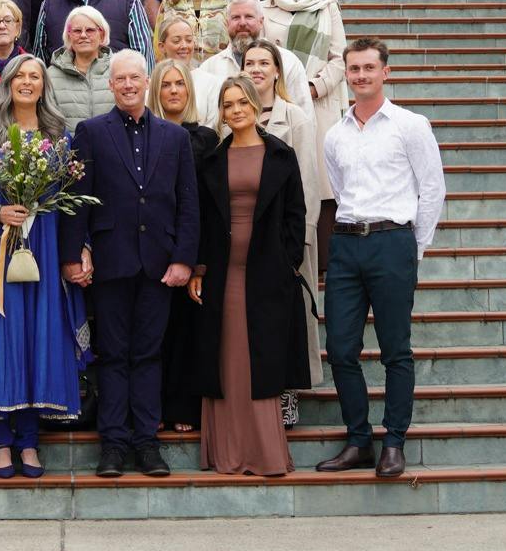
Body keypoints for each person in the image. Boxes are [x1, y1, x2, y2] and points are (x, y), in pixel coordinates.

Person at [0, 54, 91, 478]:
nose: (27, 82)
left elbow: (74, 205)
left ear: (44, 86)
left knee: (40, 337)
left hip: (45, 251)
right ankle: (1, 442)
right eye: (20, 76)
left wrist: (80, 248)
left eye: (35, 77)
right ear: (7, 84)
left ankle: (29, 442)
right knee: (3, 337)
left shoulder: (60, 138)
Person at [61, 50, 199, 478]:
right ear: (110, 84)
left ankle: (147, 444)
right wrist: (71, 256)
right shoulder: (90, 132)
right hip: (111, 263)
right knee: (113, 354)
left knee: (149, 354)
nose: (126, 85)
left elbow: (188, 205)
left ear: (146, 82)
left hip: (159, 265)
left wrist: (184, 260)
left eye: (134, 78)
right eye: (119, 79)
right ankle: (114, 445)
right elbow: (76, 201)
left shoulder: (175, 138)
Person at [316, 38, 446, 481]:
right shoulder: (335, 134)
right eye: (354, 69)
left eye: (369, 68)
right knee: (340, 349)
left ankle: (394, 442)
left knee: (395, 349)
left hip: (393, 242)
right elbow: (338, 190)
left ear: (385, 72)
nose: (360, 76)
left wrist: (415, 247)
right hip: (347, 244)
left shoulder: (410, 125)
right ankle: (358, 440)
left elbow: (432, 189)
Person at [190, 75, 309, 476]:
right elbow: (204, 220)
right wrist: (201, 267)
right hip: (223, 270)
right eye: (228, 105)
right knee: (227, 356)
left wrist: (288, 261)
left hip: (266, 272)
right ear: (221, 112)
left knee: (259, 356)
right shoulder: (212, 160)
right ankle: (227, 451)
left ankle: (264, 453)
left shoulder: (281, 155)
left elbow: (297, 213)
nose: (235, 110)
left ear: (256, 106)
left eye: (242, 102)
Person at [240, 41, 329, 406]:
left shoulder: (295, 117)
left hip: (285, 239)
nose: (257, 68)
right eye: (250, 63)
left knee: (286, 320)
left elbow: (309, 180)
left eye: (265, 62)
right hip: (243, 239)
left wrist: (300, 241)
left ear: (278, 71)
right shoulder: (232, 113)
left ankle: (288, 395)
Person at [147, 57, 216, 433]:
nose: (173, 91)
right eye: (166, 84)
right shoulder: (143, 134)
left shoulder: (205, 138)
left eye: (180, 84)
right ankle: (151, 406)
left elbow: (206, 205)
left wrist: (198, 262)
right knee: (153, 336)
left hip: (189, 250)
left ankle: (182, 408)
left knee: (186, 334)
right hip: (151, 249)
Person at [261, 0, 350, 142]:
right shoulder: (264, 8)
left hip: (317, 99)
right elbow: (260, 57)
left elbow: (339, 58)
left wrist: (312, 88)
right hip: (277, 99)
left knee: (317, 166)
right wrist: (280, 89)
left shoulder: (328, 7)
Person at [197, 0, 313, 117]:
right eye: (236, 17)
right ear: (227, 23)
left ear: (261, 21)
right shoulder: (209, 68)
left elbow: (305, 116)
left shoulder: (287, 61)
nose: (242, 23)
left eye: (249, 16)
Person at [45, 5, 115, 129]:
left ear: (102, 34)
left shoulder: (118, 70)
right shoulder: (51, 75)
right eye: (77, 31)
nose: (83, 35)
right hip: (68, 147)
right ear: (69, 36)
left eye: (90, 30)